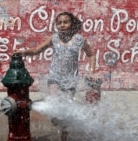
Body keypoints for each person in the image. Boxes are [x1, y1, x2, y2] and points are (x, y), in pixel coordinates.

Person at [14, 11, 97, 141]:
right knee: (54, 98)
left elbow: (91, 54)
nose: (62, 25)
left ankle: (64, 135)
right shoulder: (54, 38)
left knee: (65, 110)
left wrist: (91, 71)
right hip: (55, 77)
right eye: (59, 23)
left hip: (70, 80)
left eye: (65, 22)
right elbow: (37, 50)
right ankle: (55, 116)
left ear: (72, 24)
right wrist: (23, 52)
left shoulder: (79, 39)